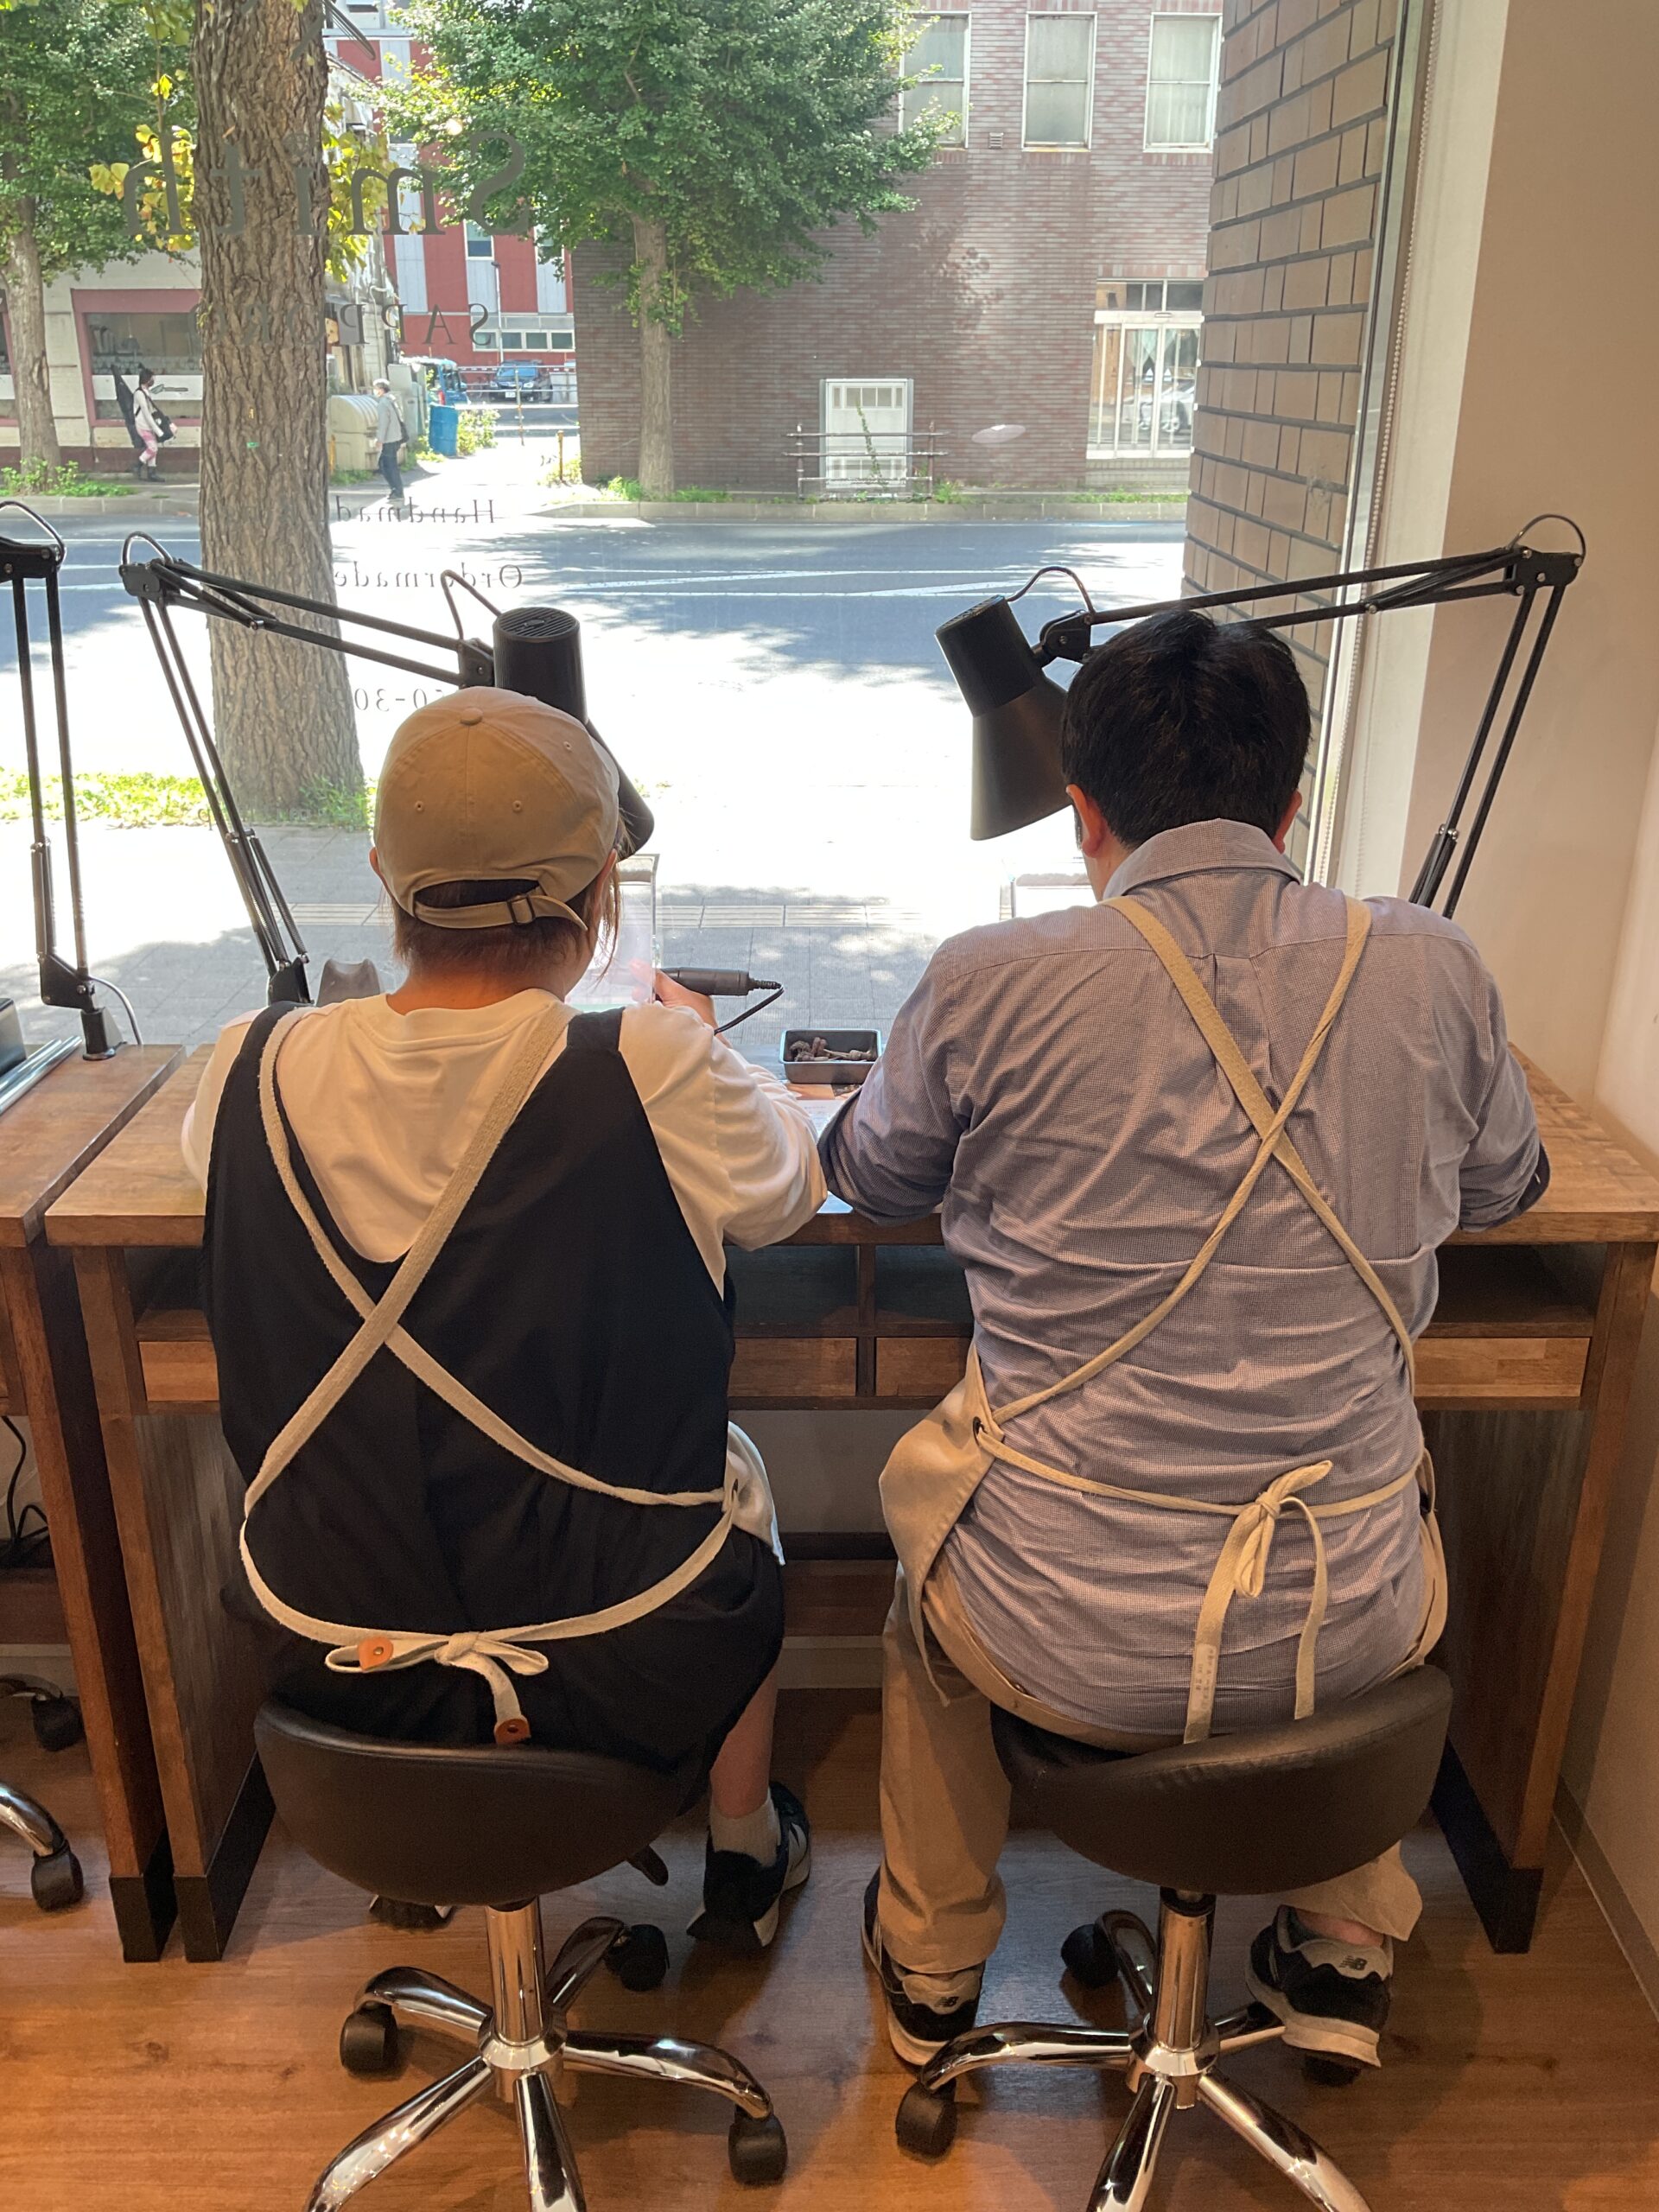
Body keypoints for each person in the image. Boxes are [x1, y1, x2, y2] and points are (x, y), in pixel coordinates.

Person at [823, 608, 1548, 2069]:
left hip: (1062, 1633)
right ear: (1294, 805)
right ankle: (1341, 1945)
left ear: (1080, 812)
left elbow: (874, 1179)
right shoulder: (1434, 966)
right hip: (1344, 1618)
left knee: (930, 1600)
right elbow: (1505, 1188)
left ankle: (934, 1971)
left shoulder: (989, 977)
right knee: (1363, 1507)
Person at [181, 689, 824, 1950]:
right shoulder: (649, 1063)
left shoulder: (246, 1065)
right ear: (601, 889)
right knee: (734, 1478)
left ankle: (426, 1845)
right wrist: (707, 1046)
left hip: (330, 1644)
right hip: (620, 1645)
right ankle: (744, 1847)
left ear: (386, 876)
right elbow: (789, 1188)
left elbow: (223, 1178)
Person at [372, 377, 408, 505]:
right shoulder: (392, 400)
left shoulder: (383, 404)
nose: (375, 391)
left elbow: (383, 423)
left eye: (376, 388)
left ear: (381, 390)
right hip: (396, 437)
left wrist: (380, 439)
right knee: (388, 465)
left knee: (388, 466)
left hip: (389, 439)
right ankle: (396, 490)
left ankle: (397, 491)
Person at [131, 368, 165, 480]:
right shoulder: (139, 393)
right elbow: (146, 413)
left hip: (149, 425)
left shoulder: (146, 392)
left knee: (154, 448)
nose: (153, 380)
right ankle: (137, 465)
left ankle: (152, 472)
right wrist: (158, 431)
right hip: (143, 425)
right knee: (153, 448)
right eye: (152, 378)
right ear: (147, 379)